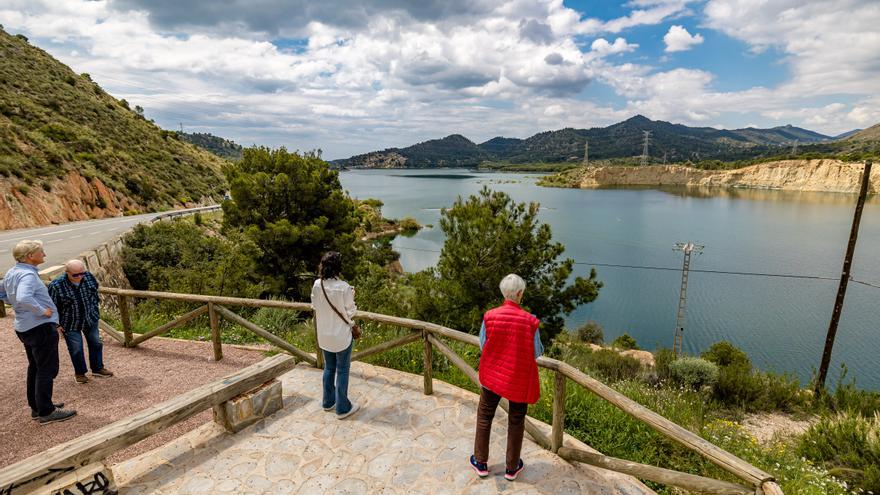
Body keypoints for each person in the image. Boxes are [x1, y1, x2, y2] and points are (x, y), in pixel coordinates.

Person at [470, 274, 544, 481]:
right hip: (518, 379)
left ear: (504, 293)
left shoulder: (490, 315)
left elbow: (483, 345)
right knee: (516, 420)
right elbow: (536, 352)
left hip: (493, 376)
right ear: (520, 294)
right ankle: (512, 468)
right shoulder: (530, 321)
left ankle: (480, 462)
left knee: (485, 416)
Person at [2, 240, 77, 424]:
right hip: (40, 327)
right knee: (47, 368)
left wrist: (15, 304)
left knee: (35, 367)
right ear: (29, 256)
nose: (44, 254)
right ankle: (46, 411)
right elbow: (23, 297)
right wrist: (43, 311)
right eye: (40, 251)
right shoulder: (27, 276)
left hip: (24, 327)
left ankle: (37, 406)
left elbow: (4, 293)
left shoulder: (13, 272)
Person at [310, 251, 360, 420]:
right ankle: (342, 408)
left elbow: (315, 305)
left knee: (329, 368)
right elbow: (351, 311)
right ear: (338, 267)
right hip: (340, 336)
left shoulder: (318, 284)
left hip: (324, 335)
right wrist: (351, 295)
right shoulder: (344, 287)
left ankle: (327, 402)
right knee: (343, 369)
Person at [48, 259, 113, 384]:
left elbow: (95, 292)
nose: (80, 277)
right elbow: (52, 307)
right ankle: (80, 373)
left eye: (82, 273)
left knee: (96, 343)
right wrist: (56, 325)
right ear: (66, 272)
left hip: (90, 318)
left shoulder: (88, 277)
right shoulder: (56, 286)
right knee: (76, 348)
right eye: (75, 275)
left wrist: (95, 310)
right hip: (70, 323)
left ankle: (97, 368)